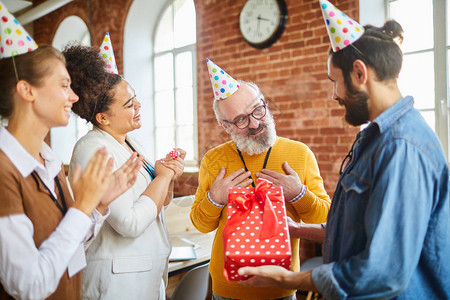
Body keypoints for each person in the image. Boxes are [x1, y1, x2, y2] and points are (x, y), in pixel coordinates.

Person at [238, 1, 450, 299]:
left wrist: (291, 279)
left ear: (360, 73)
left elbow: (383, 271)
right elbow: (360, 230)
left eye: (334, 82)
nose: (334, 94)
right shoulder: (374, 139)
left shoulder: (401, 148)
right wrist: (298, 229)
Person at [0, 5, 141, 299]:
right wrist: (82, 206)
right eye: (64, 85)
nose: (74, 97)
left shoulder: (49, 162)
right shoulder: (4, 172)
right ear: (27, 91)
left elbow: (71, 251)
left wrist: (97, 206)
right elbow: (29, 286)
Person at [190, 59, 331, 300]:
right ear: (225, 126)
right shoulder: (213, 159)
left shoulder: (300, 154)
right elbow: (201, 224)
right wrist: (215, 198)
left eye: (258, 110)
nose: (255, 123)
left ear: (265, 104)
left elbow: (324, 218)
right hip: (226, 288)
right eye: (241, 120)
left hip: (281, 287)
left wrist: (299, 194)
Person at [63, 44, 186, 300]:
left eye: (135, 98)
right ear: (103, 118)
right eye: (130, 104)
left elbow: (159, 205)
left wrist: (168, 177)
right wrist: (162, 177)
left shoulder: (130, 142)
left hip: (145, 274)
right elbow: (128, 223)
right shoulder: (92, 150)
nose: (139, 105)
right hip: (117, 282)